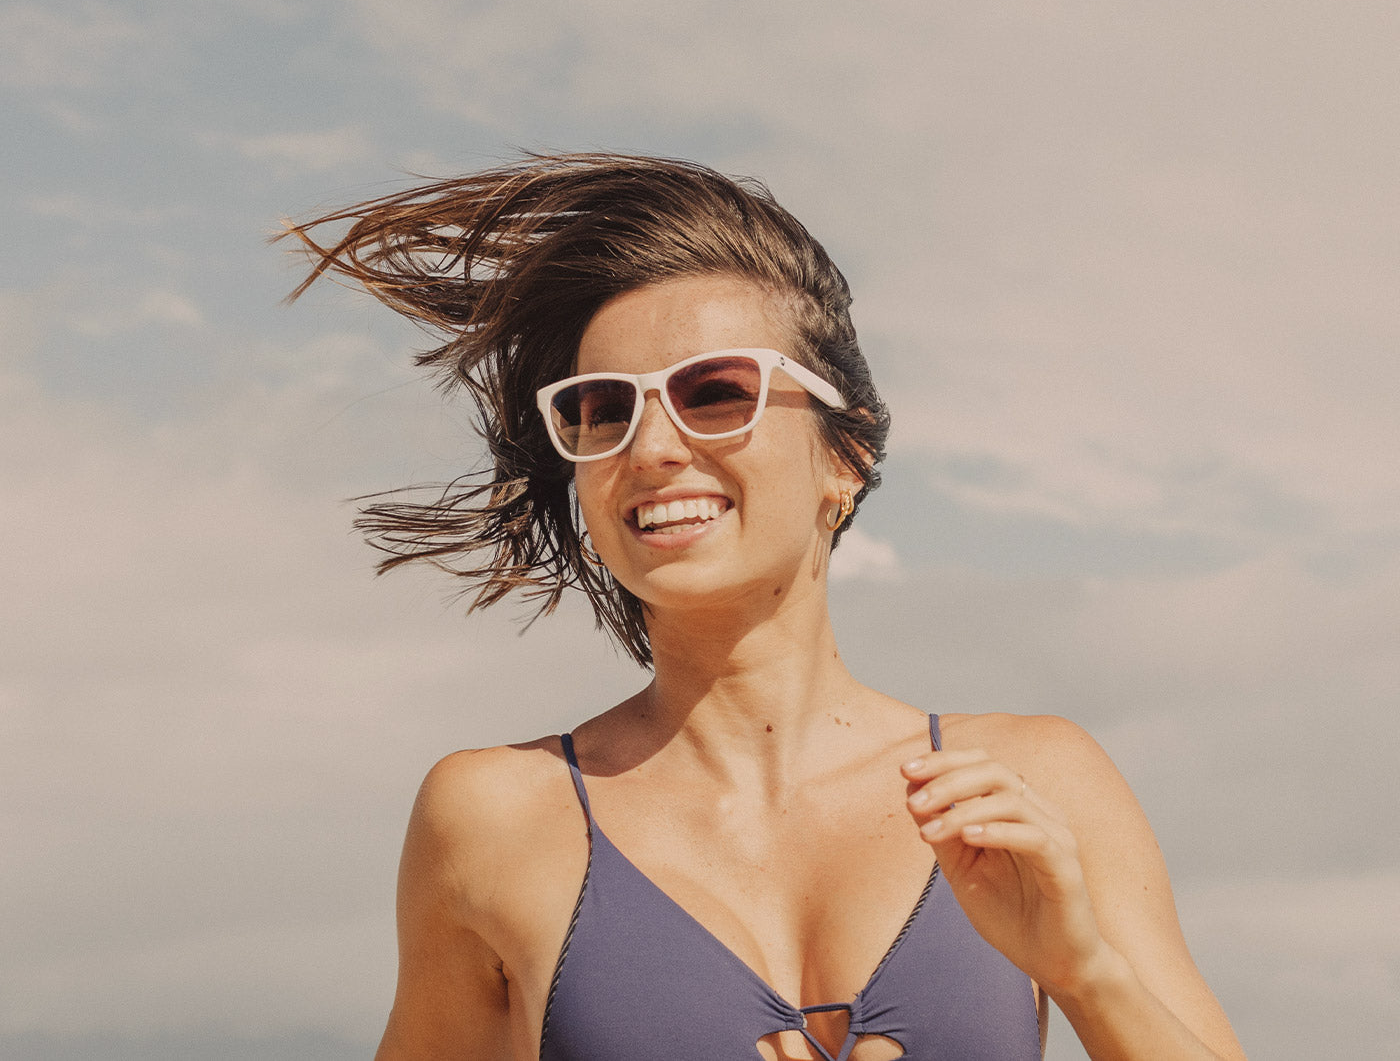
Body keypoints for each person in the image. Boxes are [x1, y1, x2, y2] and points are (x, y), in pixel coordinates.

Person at [283, 154, 1245, 1061]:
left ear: (844, 456)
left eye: (716, 392)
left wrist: (1085, 974)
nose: (651, 447)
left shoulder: (1030, 784)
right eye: (604, 408)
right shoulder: (494, 818)